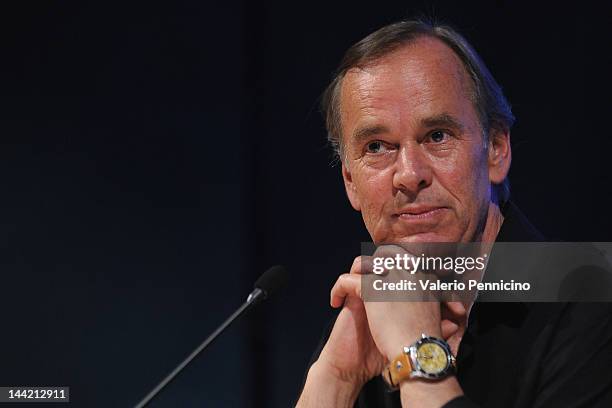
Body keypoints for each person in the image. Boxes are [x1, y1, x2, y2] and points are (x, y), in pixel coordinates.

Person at [296, 20, 612, 407]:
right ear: (350, 181)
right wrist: (335, 379)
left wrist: (418, 356)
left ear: (496, 149)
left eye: (437, 136)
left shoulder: (592, 295)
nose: (409, 175)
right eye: (378, 147)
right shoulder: (364, 325)